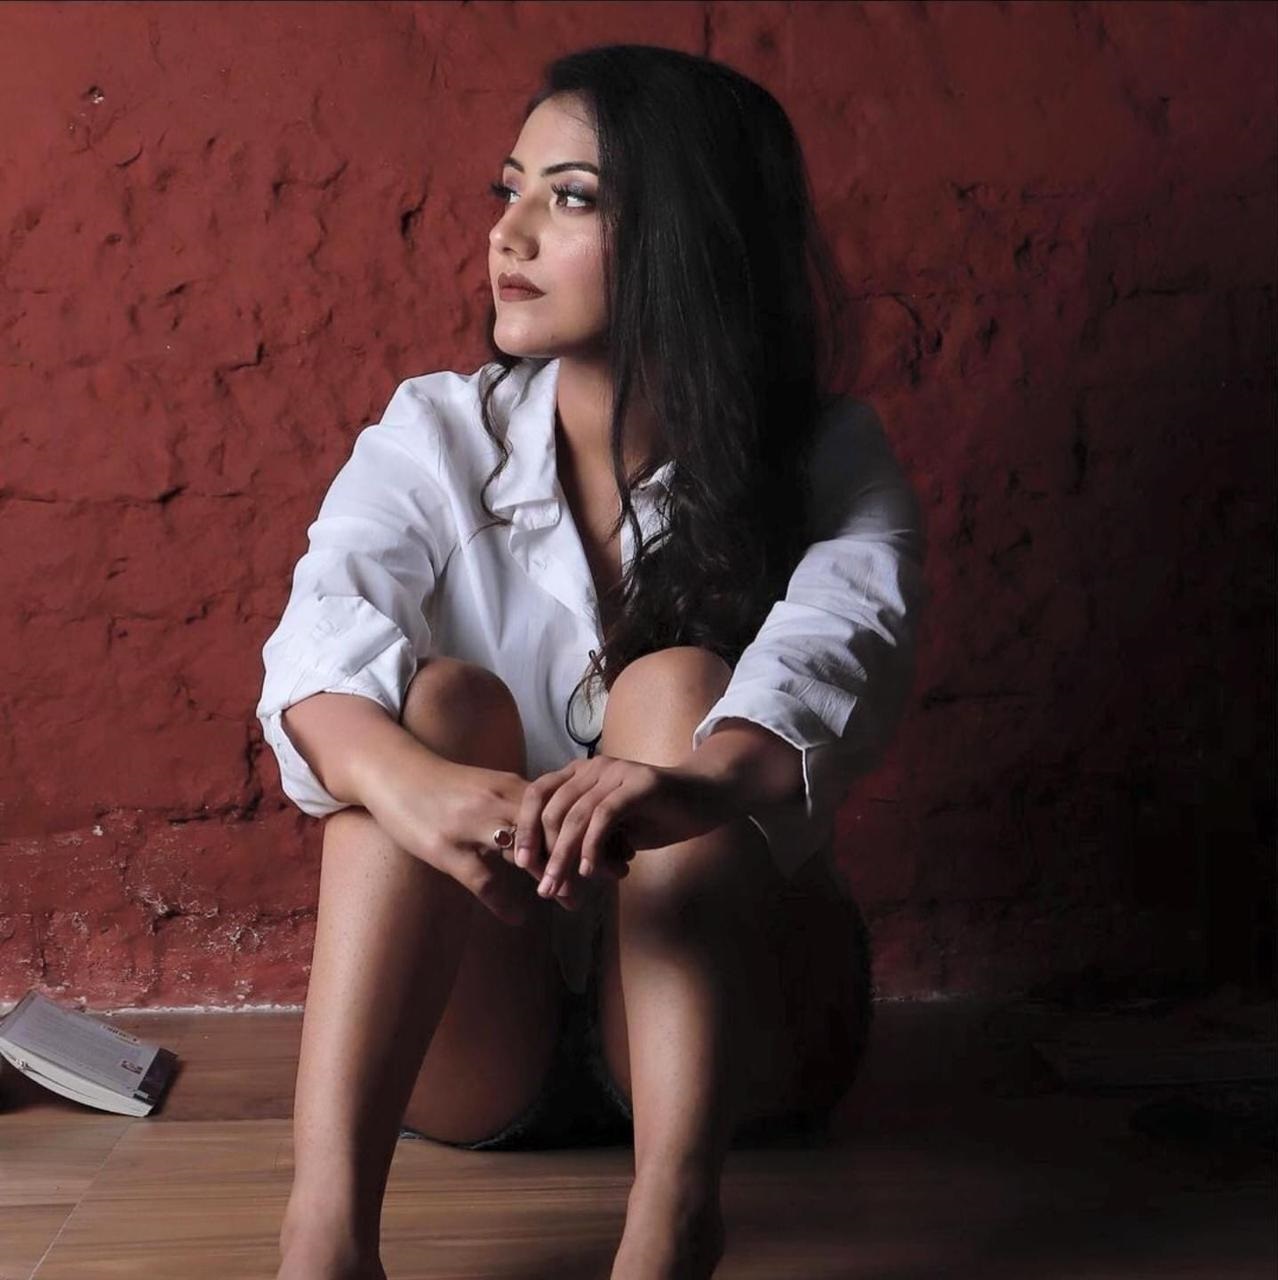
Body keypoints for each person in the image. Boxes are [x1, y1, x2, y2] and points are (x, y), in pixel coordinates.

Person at [262, 43, 925, 1280]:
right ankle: (325, 1239)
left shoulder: (827, 454)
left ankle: (671, 1223)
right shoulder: (437, 431)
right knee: (426, 716)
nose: (507, 233)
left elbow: (846, 644)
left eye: (570, 198)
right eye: (509, 188)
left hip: (743, 1032)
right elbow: (317, 637)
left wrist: (689, 787)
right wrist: (419, 787)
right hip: (486, 1027)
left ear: (692, 234)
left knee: (677, 688)